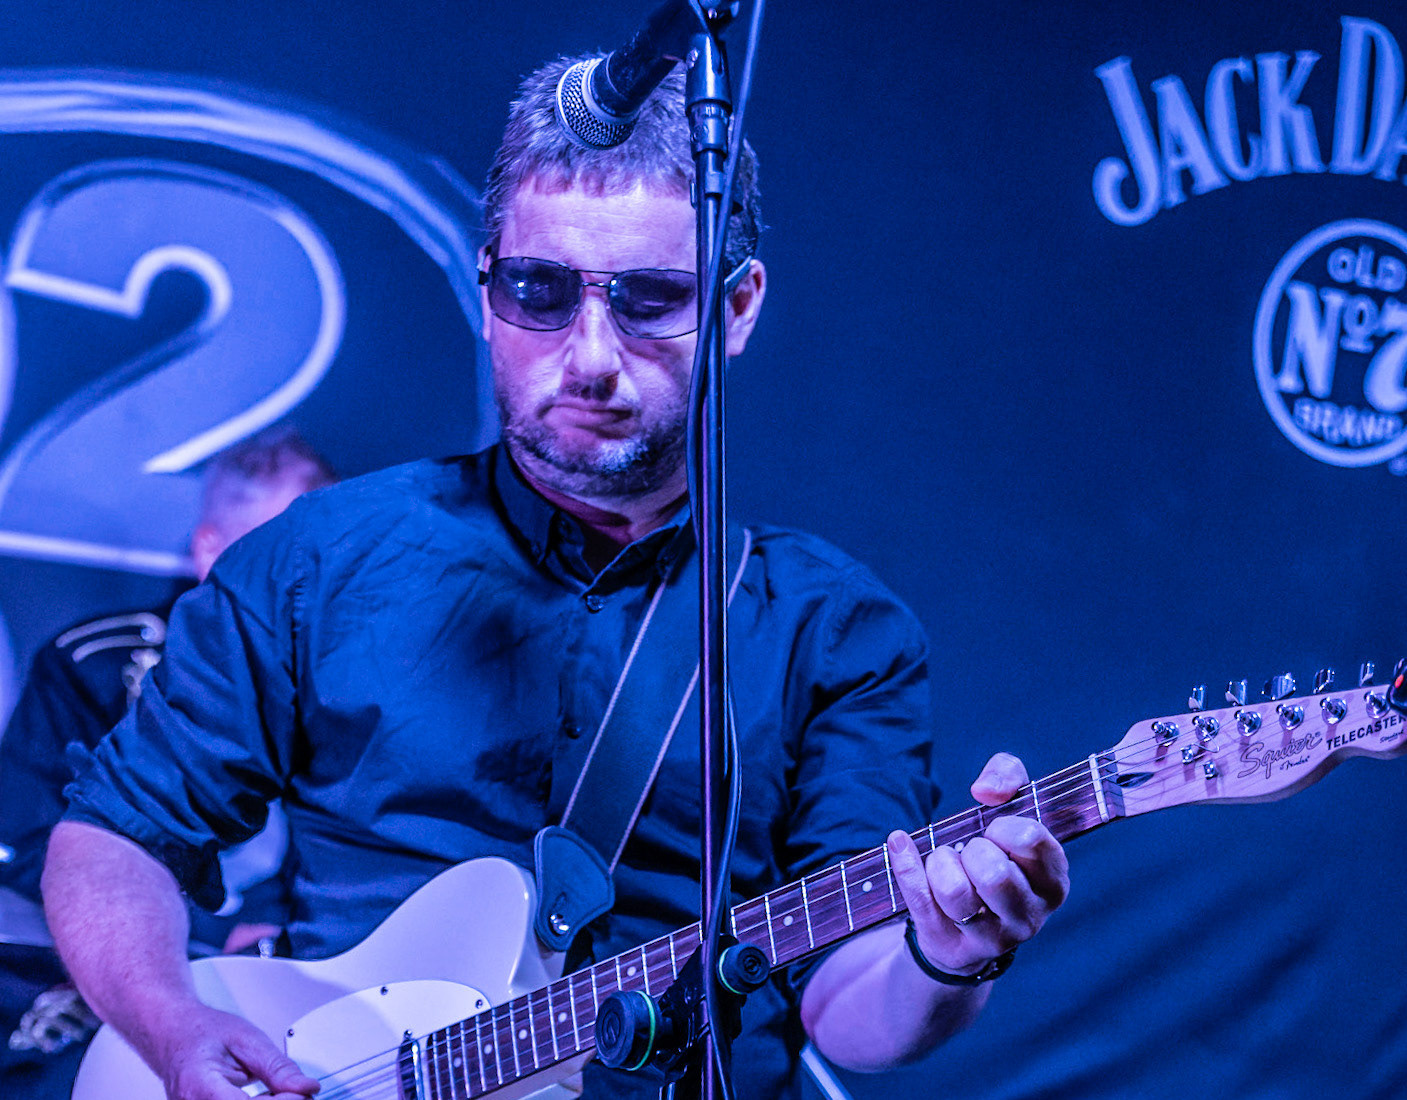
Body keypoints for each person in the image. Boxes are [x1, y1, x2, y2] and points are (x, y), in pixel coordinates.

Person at [40, 57, 1070, 1100]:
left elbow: (851, 1010)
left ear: (738, 305)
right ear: (488, 288)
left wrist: (952, 953)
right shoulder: (319, 558)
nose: (589, 357)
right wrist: (172, 1027)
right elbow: (114, 837)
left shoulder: (834, 629)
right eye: (540, 290)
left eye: (650, 300)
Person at [0, 425, 335, 1097]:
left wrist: (278, 925)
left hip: (307, 986)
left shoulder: (351, 681)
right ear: (210, 548)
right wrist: (201, 934)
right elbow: (28, 839)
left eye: (325, 555)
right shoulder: (97, 664)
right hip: (105, 979)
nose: (305, 579)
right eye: (277, 551)